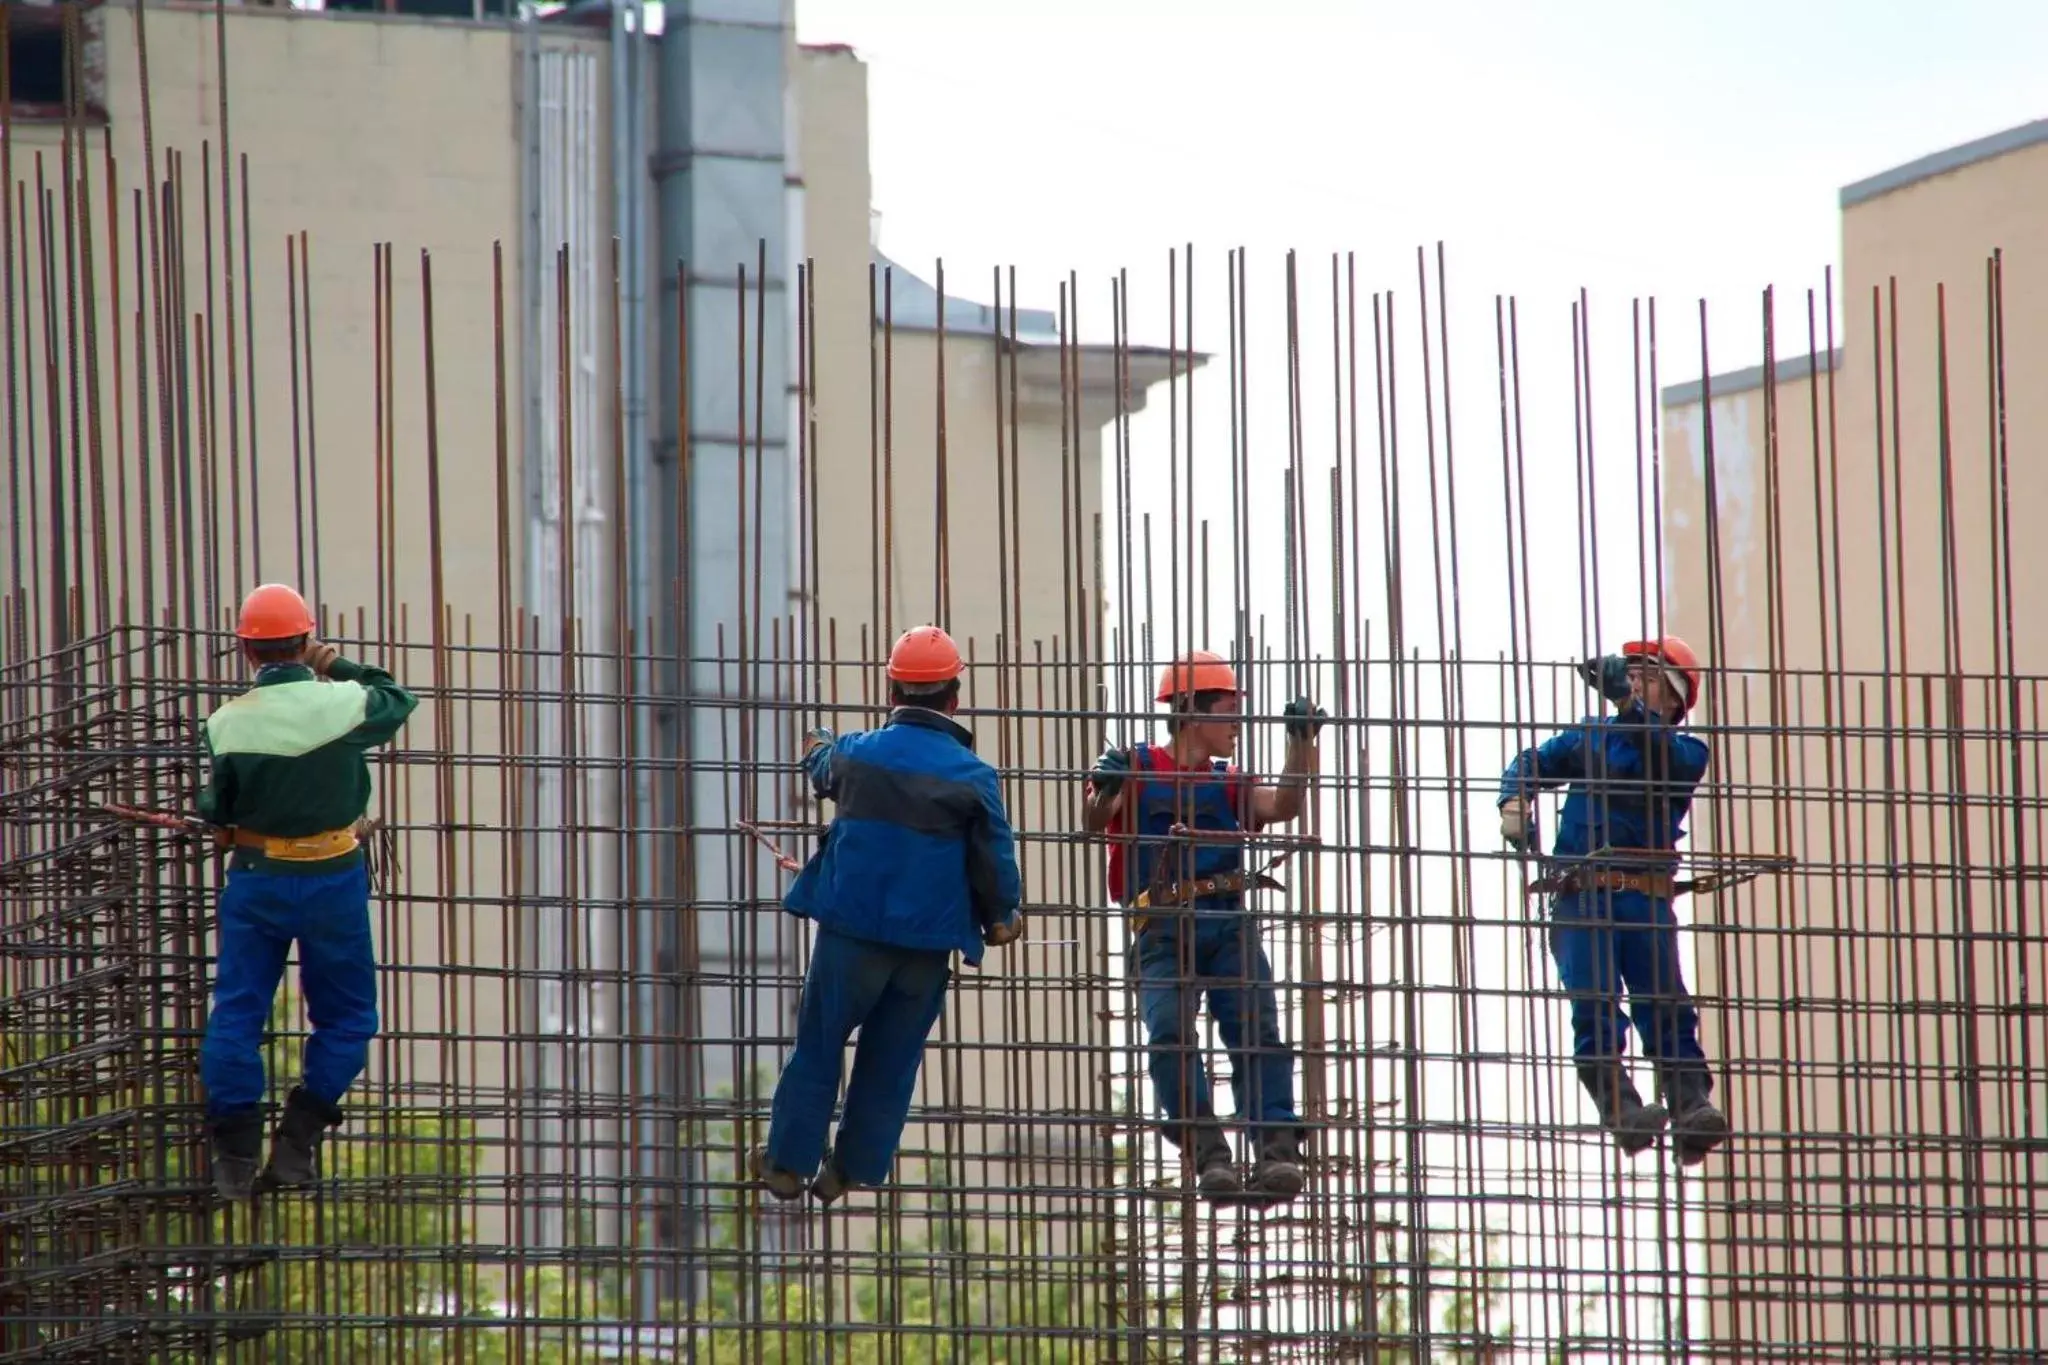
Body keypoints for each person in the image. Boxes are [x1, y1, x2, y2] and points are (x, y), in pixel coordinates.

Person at [754, 625, 1025, 1204]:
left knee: (820, 1046)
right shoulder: (975, 776)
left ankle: (786, 1163)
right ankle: (851, 1170)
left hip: (852, 938)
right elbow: (996, 857)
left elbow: (822, 767)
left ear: (892, 693)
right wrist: (1003, 915)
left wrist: (815, 742)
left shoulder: (856, 754)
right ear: (954, 699)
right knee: (891, 1061)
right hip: (926, 949)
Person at [198, 583, 418, 1200]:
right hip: (332, 878)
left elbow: (219, 806)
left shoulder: (225, 724)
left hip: (257, 878)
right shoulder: (345, 704)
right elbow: (398, 697)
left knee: (237, 1014)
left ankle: (235, 1157)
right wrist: (334, 662)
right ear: (306, 638)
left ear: (245, 649)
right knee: (348, 1017)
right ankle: (298, 1139)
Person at [1084, 651, 1326, 1203]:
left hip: (1227, 923)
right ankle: (1208, 1151)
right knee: (1168, 1032)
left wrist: (1301, 743)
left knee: (1256, 1028)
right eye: (1229, 712)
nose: (1238, 725)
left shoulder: (1232, 782)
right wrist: (1106, 784)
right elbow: (1096, 820)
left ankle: (1275, 1150)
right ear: (1192, 712)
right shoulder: (1135, 766)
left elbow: (1284, 804)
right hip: (1161, 926)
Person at [1497, 635, 1729, 1166]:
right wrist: (1515, 796)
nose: (1633, 682)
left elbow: (1656, 749)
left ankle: (1691, 1107)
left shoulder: (1685, 751)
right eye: (1631, 674)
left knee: (1664, 1004)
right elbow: (1534, 759)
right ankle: (1622, 1113)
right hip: (1583, 899)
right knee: (1594, 1008)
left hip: (1643, 900)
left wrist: (1627, 704)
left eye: (1646, 676)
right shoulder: (1590, 738)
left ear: (1674, 698)